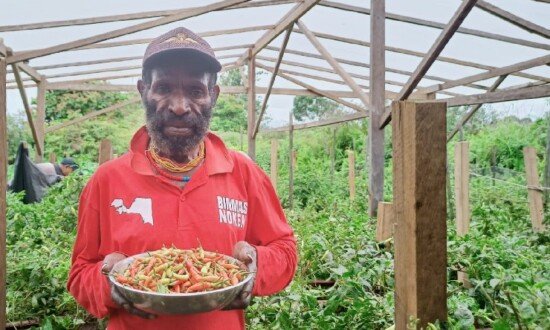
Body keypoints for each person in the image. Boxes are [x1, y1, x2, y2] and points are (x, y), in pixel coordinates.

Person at [67, 27, 298, 330]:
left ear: (212, 96)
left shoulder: (243, 172)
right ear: (143, 91)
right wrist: (107, 285)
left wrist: (257, 263)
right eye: (163, 88)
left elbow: (285, 249)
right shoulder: (107, 180)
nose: (179, 107)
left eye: (195, 91)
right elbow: (79, 274)